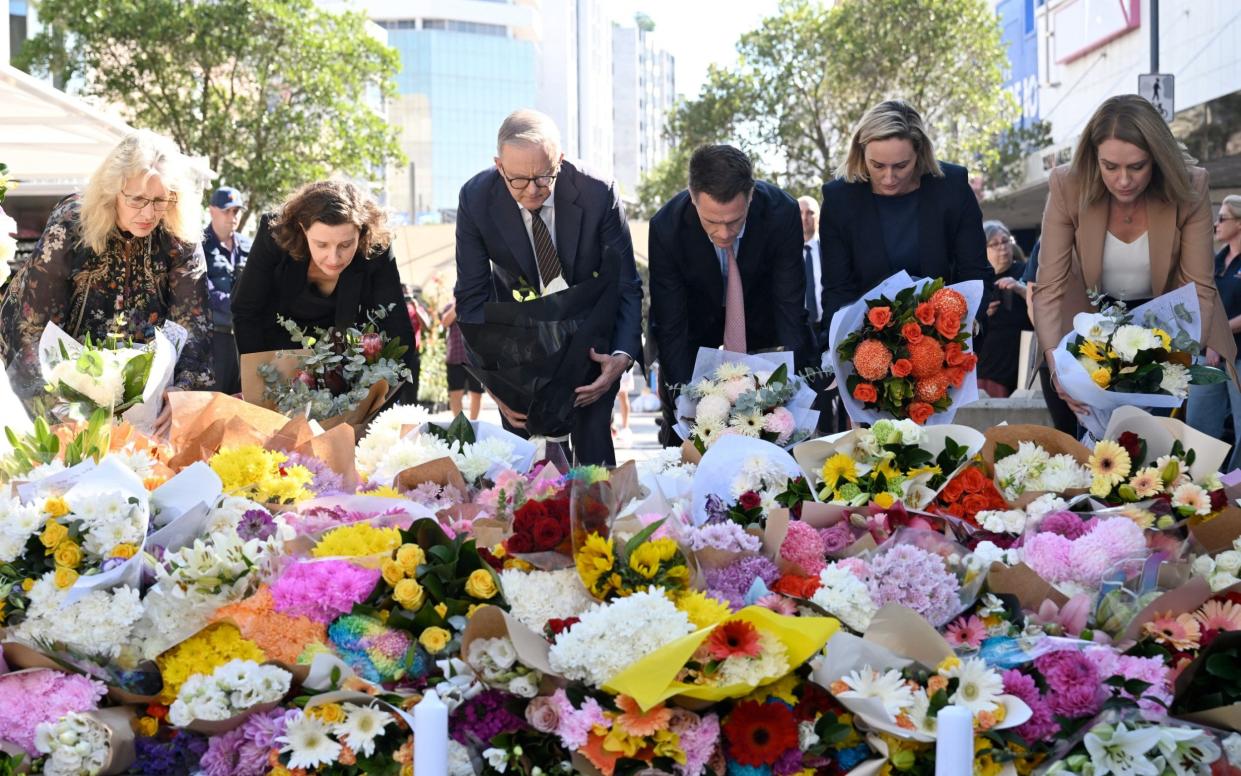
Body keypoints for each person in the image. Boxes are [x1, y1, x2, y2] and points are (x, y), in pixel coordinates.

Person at [454, 108, 643, 465]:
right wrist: (496, 386)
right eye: (518, 180)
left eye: (543, 177)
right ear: (499, 166)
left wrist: (621, 357)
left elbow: (626, 284)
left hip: (591, 337)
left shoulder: (598, 192)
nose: (531, 191)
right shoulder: (476, 199)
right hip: (518, 342)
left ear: (561, 160)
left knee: (594, 462)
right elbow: (472, 298)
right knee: (523, 466)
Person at [1033, 94, 1235, 421]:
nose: (1123, 180)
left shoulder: (1191, 185)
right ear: (1093, 158)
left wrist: (1164, 370)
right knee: (1079, 457)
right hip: (1076, 328)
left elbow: (1198, 288)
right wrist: (1060, 367)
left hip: (1168, 326)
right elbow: (1048, 288)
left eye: (1137, 166)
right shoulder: (1067, 184)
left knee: (1156, 460)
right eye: (1110, 167)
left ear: (1157, 159)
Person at [0, 129, 213, 433]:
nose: (149, 212)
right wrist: (56, 405)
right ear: (112, 191)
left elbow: (194, 323)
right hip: (64, 372)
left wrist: (184, 389)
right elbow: (32, 327)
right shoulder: (73, 222)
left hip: (144, 392)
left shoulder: (178, 227)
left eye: (159, 199)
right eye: (137, 199)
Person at [648, 144, 813, 447]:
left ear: (751, 195)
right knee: (684, 438)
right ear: (692, 196)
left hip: (762, 325)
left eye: (734, 221)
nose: (724, 234)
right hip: (694, 332)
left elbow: (789, 306)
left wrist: (794, 384)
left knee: (778, 431)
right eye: (712, 222)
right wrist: (687, 401)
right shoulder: (665, 227)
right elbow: (672, 323)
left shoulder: (781, 213)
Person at [230, 179, 421, 403]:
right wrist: (261, 382)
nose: (334, 258)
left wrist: (372, 397)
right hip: (274, 360)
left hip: (346, 374)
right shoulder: (275, 232)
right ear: (302, 228)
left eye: (345, 244)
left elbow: (398, 328)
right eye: (321, 245)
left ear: (362, 232)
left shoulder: (376, 247)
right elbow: (245, 311)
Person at [819, 99, 994, 327]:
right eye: (877, 165)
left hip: (947, 332)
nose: (889, 178)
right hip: (865, 341)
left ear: (919, 154)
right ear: (860, 154)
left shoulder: (952, 188)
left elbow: (974, 272)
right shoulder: (839, 200)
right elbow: (838, 291)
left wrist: (966, 328)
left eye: (901, 166)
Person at [1187, 195, 1241, 470]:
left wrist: (1218, 339)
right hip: (1206, 355)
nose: (1216, 225)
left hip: (1235, 356)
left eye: (1222, 218)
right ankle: (1195, 491)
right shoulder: (1215, 261)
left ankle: (1236, 495)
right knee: (1197, 426)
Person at [975, 220, 1032, 398]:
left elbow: (1043, 304)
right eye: (994, 244)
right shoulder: (978, 279)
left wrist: (1021, 289)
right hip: (987, 361)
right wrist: (981, 314)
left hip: (1020, 354)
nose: (1002, 248)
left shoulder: (1025, 271)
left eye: (1005, 241)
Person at [203, 186, 251, 395]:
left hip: (244, 340)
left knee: (244, 402)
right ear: (212, 210)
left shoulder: (250, 245)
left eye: (236, 211)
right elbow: (204, 291)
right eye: (226, 211)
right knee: (212, 404)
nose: (232, 217)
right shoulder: (199, 246)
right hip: (214, 341)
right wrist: (241, 305)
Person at [441, 301, 482, 420]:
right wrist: (458, 304)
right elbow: (445, 322)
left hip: (475, 359)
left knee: (476, 394)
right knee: (455, 394)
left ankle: (473, 424)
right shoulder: (450, 307)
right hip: (455, 357)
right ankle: (459, 425)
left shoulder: (476, 306)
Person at [798, 196, 826, 349]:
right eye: (800, 212)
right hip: (799, 329)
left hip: (826, 326)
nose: (804, 218)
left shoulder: (830, 249)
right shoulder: (786, 253)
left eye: (810, 213)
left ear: (819, 217)